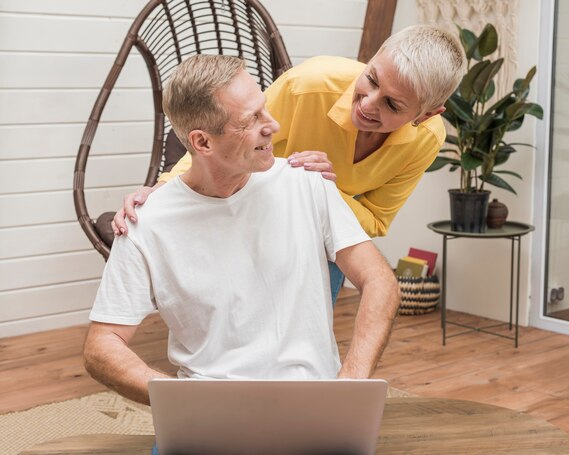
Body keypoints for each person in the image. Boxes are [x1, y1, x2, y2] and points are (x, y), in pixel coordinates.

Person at [83, 54, 400, 407]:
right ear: (202, 143)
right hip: (211, 413)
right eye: (252, 120)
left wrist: (350, 384)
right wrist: (182, 401)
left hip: (314, 406)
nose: (273, 126)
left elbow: (379, 280)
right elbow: (102, 345)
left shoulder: (307, 183)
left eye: (264, 108)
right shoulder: (146, 223)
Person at [112, 25, 466, 303]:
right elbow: (216, 143)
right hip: (249, 205)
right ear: (372, 59)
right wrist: (158, 192)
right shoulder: (307, 85)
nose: (368, 104)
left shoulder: (427, 139)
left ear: (426, 114)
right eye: (371, 79)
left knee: (312, 307)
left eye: (392, 105)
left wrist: (323, 189)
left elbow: (374, 221)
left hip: (318, 233)